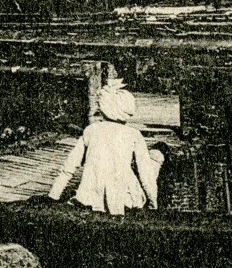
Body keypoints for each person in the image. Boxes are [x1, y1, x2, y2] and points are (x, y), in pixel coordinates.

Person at [49, 78, 162, 215]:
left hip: (89, 197)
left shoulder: (91, 130)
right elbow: (146, 174)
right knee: (154, 159)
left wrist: (54, 195)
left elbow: (69, 167)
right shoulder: (133, 135)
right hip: (122, 199)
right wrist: (153, 202)